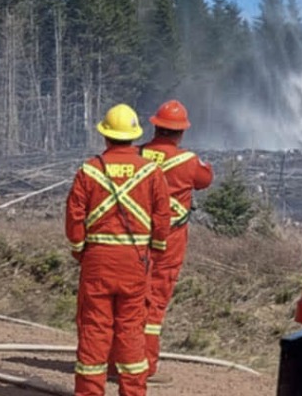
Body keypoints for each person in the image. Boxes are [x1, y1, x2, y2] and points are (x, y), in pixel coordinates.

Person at [65, 104, 171, 396]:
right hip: (135, 261)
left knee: (94, 330)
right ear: (134, 137)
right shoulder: (151, 171)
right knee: (131, 331)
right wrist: (154, 252)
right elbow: (162, 218)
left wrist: (80, 251)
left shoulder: (90, 170)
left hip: (97, 260)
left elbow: (74, 217)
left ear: (106, 136)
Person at [139, 100, 213, 381]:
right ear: (181, 133)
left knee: (128, 300)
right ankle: (144, 367)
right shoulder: (188, 161)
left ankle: (118, 359)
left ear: (156, 126)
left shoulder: (138, 155)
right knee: (155, 302)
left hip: (133, 240)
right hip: (169, 242)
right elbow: (206, 179)